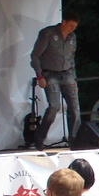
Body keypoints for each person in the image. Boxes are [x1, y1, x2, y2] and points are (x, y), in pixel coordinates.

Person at [29, 13, 80, 147]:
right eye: (71, 25)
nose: (72, 29)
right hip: (50, 74)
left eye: (75, 27)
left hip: (67, 74)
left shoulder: (72, 37)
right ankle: (39, 138)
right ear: (64, 22)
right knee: (54, 107)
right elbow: (35, 55)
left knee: (74, 108)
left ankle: (75, 141)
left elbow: (71, 58)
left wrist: (73, 77)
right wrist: (40, 76)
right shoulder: (48, 33)